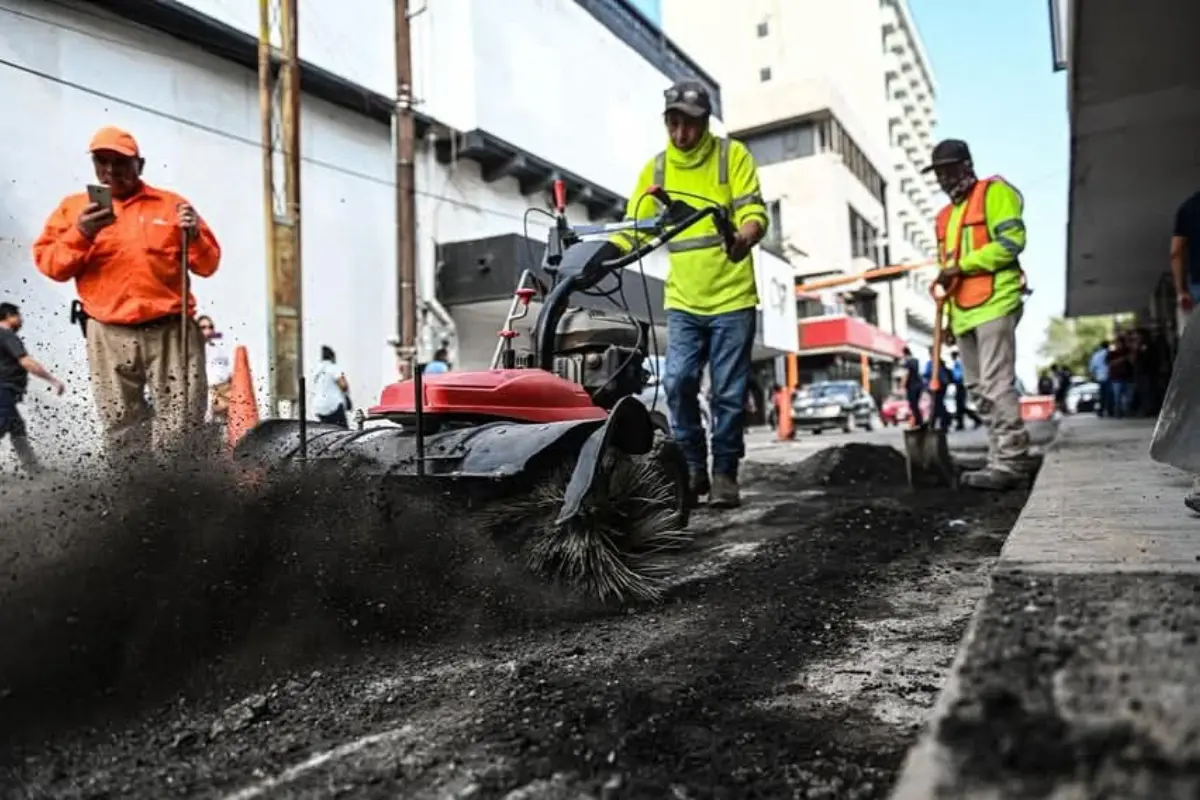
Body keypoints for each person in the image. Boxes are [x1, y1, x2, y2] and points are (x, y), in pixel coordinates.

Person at [608, 81, 769, 508]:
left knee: (728, 394)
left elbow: (754, 211)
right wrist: (606, 253)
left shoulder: (731, 157)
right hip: (684, 300)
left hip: (733, 297)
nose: (682, 134)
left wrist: (744, 237)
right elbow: (635, 227)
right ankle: (693, 466)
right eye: (674, 124)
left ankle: (725, 473)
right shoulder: (657, 170)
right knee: (677, 382)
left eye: (691, 125)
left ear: (706, 123)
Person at [32, 126, 221, 463]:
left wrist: (194, 236)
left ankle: (181, 489)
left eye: (120, 162)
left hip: (171, 329)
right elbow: (51, 266)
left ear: (140, 165)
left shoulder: (172, 206)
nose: (110, 170)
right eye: (101, 161)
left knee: (182, 421)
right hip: (108, 331)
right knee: (121, 423)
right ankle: (132, 491)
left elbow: (208, 266)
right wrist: (81, 233)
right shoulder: (74, 210)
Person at [924, 138, 1032, 490]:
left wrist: (963, 265)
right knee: (976, 390)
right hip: (963, 312)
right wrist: (948, 321)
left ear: (967, 166)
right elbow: (947, 273)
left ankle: (1011, 461)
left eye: (949, 170)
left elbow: (1011, 243)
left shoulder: (994, 193)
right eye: (939, 173)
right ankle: (997, 457)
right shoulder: (944, 217)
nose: (944, 178)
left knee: (996, 383)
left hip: (996, 301)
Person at [0, 303, 66, 475]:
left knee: (16, 426)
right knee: (2, 424)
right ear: (9, 316)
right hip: (3, 390)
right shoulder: (6, 335)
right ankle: (33, 469)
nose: (21, 320)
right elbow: (26, 362)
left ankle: (33, 469)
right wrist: (53, 380)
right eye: (18, 316)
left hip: (6, 391)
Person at [198, 315, 232, 425]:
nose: (208, 330)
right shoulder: (193, 350)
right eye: (203, 327)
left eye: (210, 327)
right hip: (204, 394)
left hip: (222, 393)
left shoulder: (219, 350)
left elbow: (227, 372)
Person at [311, 346, 351, 428]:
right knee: (343, 431)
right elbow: (343, 385)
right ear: (332, 357)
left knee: (328, 430)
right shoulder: (333, 368)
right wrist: (346, 394)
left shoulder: (317, 369)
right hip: (333, 406)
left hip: (318, 407)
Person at [949, 349, 982, 430]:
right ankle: (962, 423)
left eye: (952, 356)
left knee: (960, 405)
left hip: (960, 385)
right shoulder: (957, 363)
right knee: (960, 405)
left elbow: (959, 375)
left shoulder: (958, 363)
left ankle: (974, 419)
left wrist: (954, 378)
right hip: (960, 385)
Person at [921, 355, 953, 431]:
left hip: (936, 386)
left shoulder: (931, 363)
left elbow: (926, 374)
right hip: (942, 386)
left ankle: (935, 424)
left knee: (936, 405)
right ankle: (940, 423)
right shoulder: (940, 363)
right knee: (938, 405)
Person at [900, 346, 923, 427]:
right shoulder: (916, 361)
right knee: (915, 405)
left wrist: (902, 386)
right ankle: (918, 421)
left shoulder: (907, 362)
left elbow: (906, 374)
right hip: (919, 386)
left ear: (904, 354)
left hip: (912, 387)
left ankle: (918, 422)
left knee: (913, 405)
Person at [1089, 341, 1110, 417]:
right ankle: (1110, 410)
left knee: (1102, 395)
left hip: (1100, 376)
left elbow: (1092, 367)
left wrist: (1093, 376)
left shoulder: (1096, 355)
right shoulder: (1109, 353)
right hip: (1110, 375)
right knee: (1109, 394)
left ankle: (1101, 410)